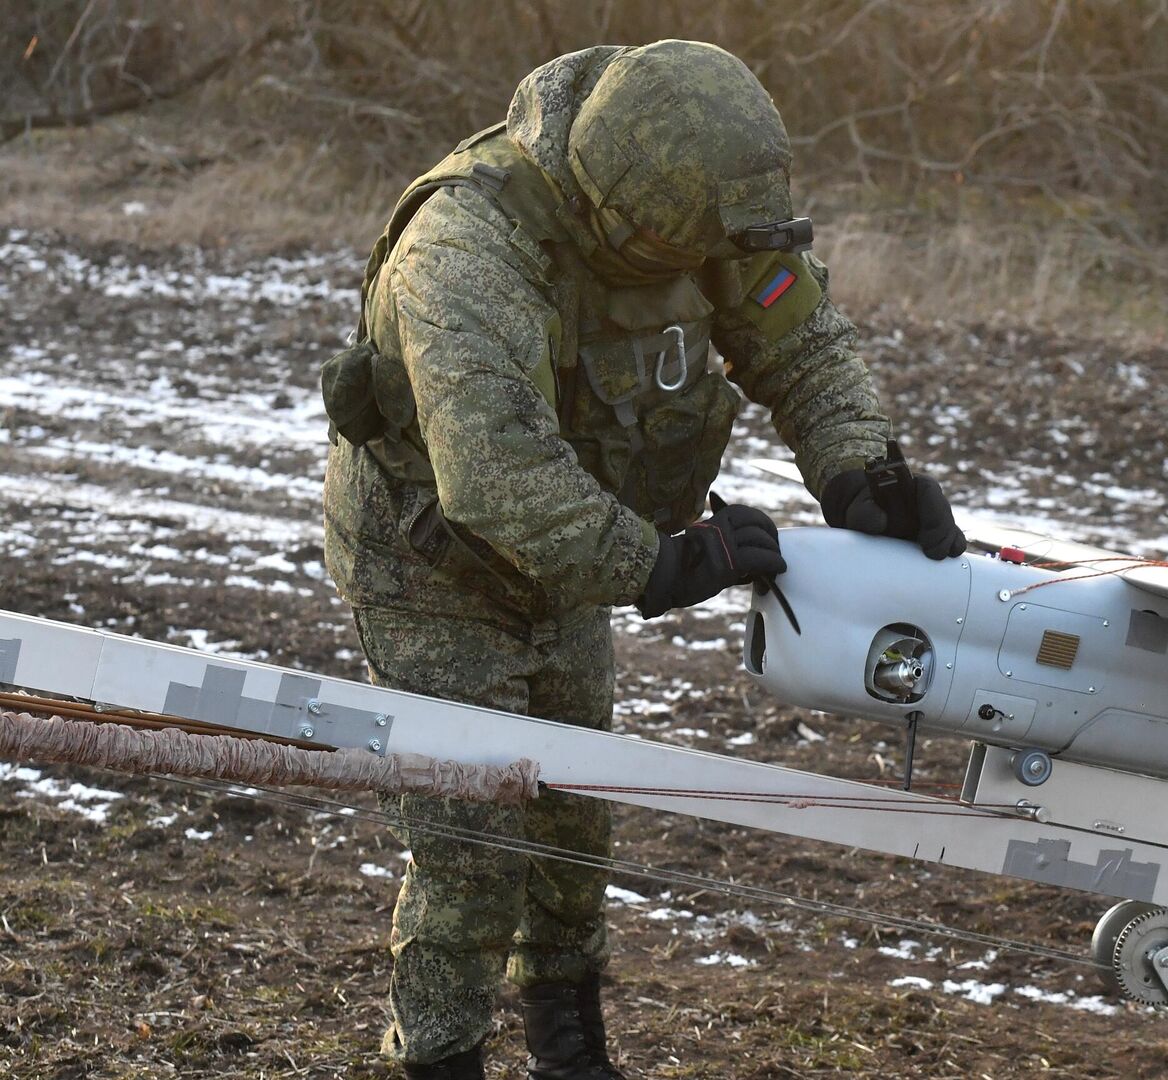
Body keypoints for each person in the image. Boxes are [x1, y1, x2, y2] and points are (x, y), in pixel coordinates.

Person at [319, 40, 966, 1080]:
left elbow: (798, 340)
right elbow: (498, 475)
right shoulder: (467, 249)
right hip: (433, 570)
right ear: (630, 220)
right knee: (473, 853)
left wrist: (860, 471)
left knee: (574, 822)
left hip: (565, 569)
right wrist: (665, 562)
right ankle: (438, 1060)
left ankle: (572, 1056)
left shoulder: (696, 206)